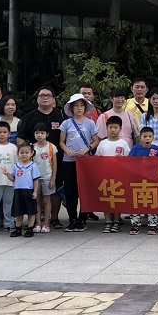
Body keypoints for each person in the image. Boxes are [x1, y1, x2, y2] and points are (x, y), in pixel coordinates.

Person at [60, 93, 99, 232]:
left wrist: (87, 148)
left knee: (84, 189)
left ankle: (83, 218)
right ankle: (72, 218)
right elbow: (61, 141)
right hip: (69, 160)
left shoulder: (90, 123)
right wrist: (67, 150)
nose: (79, 108)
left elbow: (96, 140)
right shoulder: (66, 123)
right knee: (70, 190)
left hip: (85, 161)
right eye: (76, 105)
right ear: (71, 108)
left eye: (81, 105)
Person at [97, 115, 131, 232]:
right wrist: (99, 158)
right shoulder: (102, 143)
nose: (113, 130)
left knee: (117, 199)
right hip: (105, 176)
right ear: (106, 128)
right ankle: (108, 221)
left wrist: (122, 158)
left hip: (118, 176)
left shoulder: (123, 143)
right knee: (106, 198)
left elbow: (129, 160)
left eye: (115, 127)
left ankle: (116, 221)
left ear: (120, 129)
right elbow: (96, 159)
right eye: (110, 127)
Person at [129, 126, 158, 234]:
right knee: (136, 202)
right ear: (140, 138)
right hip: (137, 180)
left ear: (153, 138)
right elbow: (128, 162)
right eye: (145, 136)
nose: (147, 138)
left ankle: (153, 225)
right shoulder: (135, 149)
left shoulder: (156, 149)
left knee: (151, 201)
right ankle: (135, 225)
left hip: (151, 180)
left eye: (149, 136)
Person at [2, 143, 40, 238]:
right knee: (18, 211)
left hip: (29, 190)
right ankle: (18, 228)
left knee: (31, 211)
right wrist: (8, 174)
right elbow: (13, 179)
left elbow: (35, 180)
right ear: (18, 154)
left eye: (27, 152)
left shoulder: (33, 166)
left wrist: (35, 191)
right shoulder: (16, 166)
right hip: (18, 191)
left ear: (31, 153)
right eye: (22, 152)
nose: (24, 155)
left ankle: (30, 228)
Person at [31, 124, 57, 233]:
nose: (39, 135)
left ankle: (46, 223)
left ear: (47, 134)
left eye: (42, 133)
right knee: (37, 200)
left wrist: (53, 178)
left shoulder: (51, 147)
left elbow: (54, 164)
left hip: (47, 177)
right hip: (35, 178)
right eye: (37, 133)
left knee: (47, 200)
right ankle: (37, 223)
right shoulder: (32, 147)